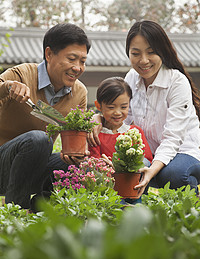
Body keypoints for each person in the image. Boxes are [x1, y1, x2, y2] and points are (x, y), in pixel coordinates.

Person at [89, 20, 200, 198]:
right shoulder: (132, 78)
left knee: (173, 174)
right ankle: (131, 208)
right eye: (136, 53)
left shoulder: (177, 82)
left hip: (182, 151)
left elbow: (173, 138)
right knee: (129, 166)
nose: (144, 61)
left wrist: (152, 169)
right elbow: (122, 119)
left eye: (151, 52)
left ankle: (191, 208)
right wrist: (98, 118)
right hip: (147, 153)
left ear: (162, 52)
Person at [0, 23, 91, 210]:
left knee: (81, 166)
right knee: (40, 139)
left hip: (35, 166)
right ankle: (16, 214)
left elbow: (75, 138)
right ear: (49, 54)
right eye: (72, 59)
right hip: (3, 165)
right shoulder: (21, 74)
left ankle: (41, 214)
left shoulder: (80, 92)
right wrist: (7, 87)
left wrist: (75, 155)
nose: (78, 67)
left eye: (82, 61)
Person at [88, 76, 153, 204]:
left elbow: (147, 160)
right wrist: (110, 168)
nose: (118, 112)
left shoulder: (135, 132)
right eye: (111, 107)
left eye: (123, 107)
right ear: (98, 106)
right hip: (109, 189)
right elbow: (94, 162)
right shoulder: (96, 134)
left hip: (134, 189)